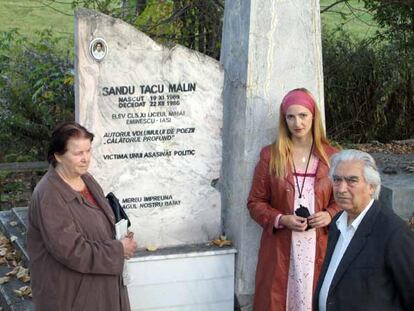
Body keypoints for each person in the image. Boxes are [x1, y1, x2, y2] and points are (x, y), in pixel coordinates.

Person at [27, 121, 138, 311]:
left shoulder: (86, 179)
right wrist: (118, 250)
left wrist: (119, 235)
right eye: (78, 153)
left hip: (100, 287)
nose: (86, 158)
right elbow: (72, 251)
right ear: (58, 156)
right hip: (72, 295)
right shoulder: (49, 195)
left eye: (88, 151)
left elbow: (98, 220)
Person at [247, 88, 340, 311]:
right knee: (279, 301)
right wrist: (281, 219)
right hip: (281, 248)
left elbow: (345, 201)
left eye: (303, 115)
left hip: (319, 246)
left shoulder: (332, 156)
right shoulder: (270, 155)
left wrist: (329, 214)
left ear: (313, 116)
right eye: (291, 116)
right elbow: (255, 202)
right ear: (284, 119)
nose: (297, 122)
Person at [314, 149, 414, 311]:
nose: (341, 189)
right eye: (337, 180)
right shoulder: (337, 223)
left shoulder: (393, 232)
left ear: (371, 187)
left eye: (351, 180)